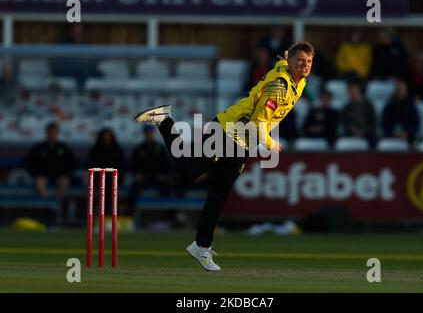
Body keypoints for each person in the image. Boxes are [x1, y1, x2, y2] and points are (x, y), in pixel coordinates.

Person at [134, 41, 314, 271]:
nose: (305, 65)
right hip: (228, 130)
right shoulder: (278, 87)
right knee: (190, 170)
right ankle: (163, 120)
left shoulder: (294, 77)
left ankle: (201, 246)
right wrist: (271, 144)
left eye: (308, 62)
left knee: (219, 194)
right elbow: (258, 123)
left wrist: (286, 59)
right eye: (300, 61)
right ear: (290, 63)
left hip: (242, 143)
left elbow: (281, 65)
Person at [128, 125, 174, 215]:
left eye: (150, 133)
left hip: (157, 178)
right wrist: (137, 174)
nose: (149, 135)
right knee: (134, 189)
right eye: (147, 133)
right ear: (144, 134)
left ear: (153, 133)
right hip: (143, 178)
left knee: (167, 189)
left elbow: (168, 165)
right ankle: (130, 213)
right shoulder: (138, 149)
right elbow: (132, 165)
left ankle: (169, 215)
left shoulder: (160, 148)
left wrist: (164, 175)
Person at [24, 122, 77, 199]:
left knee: (64, 182)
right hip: (43, 175)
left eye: (54, 132)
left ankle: (59, 205)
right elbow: (29, 162)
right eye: (50, 132)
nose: (52, 135)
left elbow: (72, 162)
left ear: (57, 133)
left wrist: (67, 174)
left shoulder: (63, 147)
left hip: (60, 174)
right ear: (46, 133)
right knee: (39, 182)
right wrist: (36, 173)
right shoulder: (39, 147)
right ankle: (46, 205)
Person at [382, 80, 420, 144]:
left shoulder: (411, 106)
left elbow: (416, 124)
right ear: (396, 90)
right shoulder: (389, 106)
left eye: (403, 89)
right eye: (399, 89)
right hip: (391, 136)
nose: (401, 91)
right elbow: (385, 124)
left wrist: (407, 133)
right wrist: (393, 134)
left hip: (408, 137)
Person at [341, 81, 377, 147]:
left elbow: (372, 123)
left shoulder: (369, 105)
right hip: (351, 133)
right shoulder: (347, 107)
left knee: (374, 138)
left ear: (359, 89)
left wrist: (363, 131)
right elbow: (345, 123)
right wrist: (353, 130)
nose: (351, 91)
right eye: (349, 89)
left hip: (367, 133)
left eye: (353, 89)